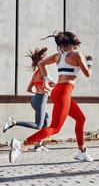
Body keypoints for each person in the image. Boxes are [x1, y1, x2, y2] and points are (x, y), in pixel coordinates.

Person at [9, 31, 94, 163]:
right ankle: (22, 145)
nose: (77, 46)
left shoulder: (57, 56)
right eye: (75, 44)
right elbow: (87, 74)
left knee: (81, 119)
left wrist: (48, 78)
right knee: (55, 128)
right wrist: (89, 62)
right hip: (64, 92)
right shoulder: (77, 54)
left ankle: (82, 151)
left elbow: (41, 64)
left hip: (58, 92)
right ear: (71, 44)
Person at [3, 47, 51, 151]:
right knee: (38, 125)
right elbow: (46, 87)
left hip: (35, 100)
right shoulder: (43, 72)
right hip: (41, 100)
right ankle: (13, 122)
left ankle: (39, 144)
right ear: (41, 61)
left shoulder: (35, 74)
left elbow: (29, 89)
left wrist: (38, 93)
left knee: (46, 121)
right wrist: (52, 87)